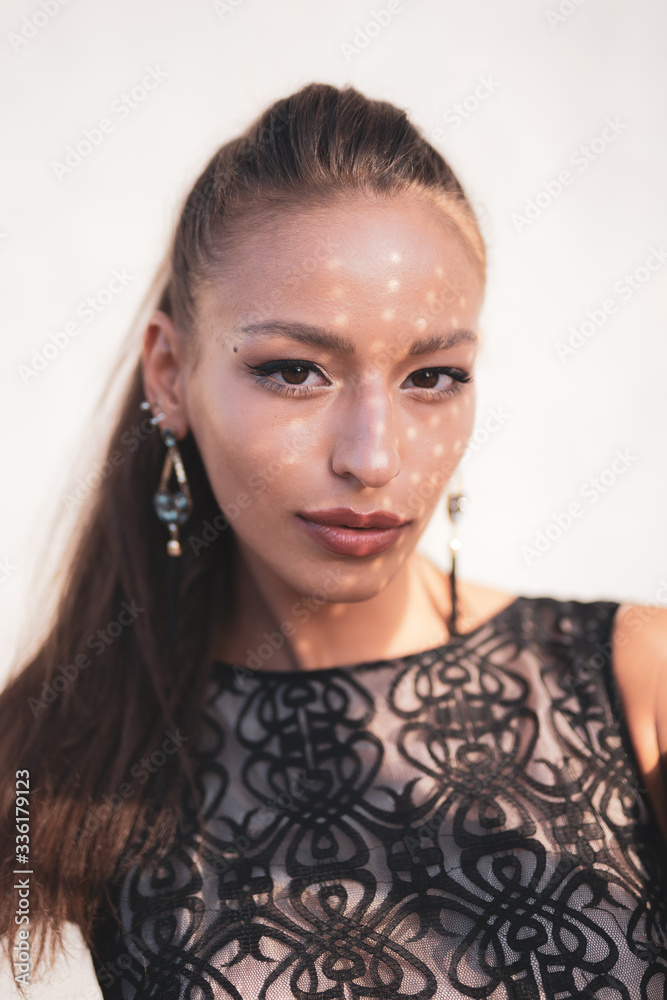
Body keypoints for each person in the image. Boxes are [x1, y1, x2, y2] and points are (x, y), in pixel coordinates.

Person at [1, 81, 666, 999]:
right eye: (293, 371)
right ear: (169, 375)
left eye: (432, 376)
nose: (373, 457)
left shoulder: (637, 683)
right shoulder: (42, 764)